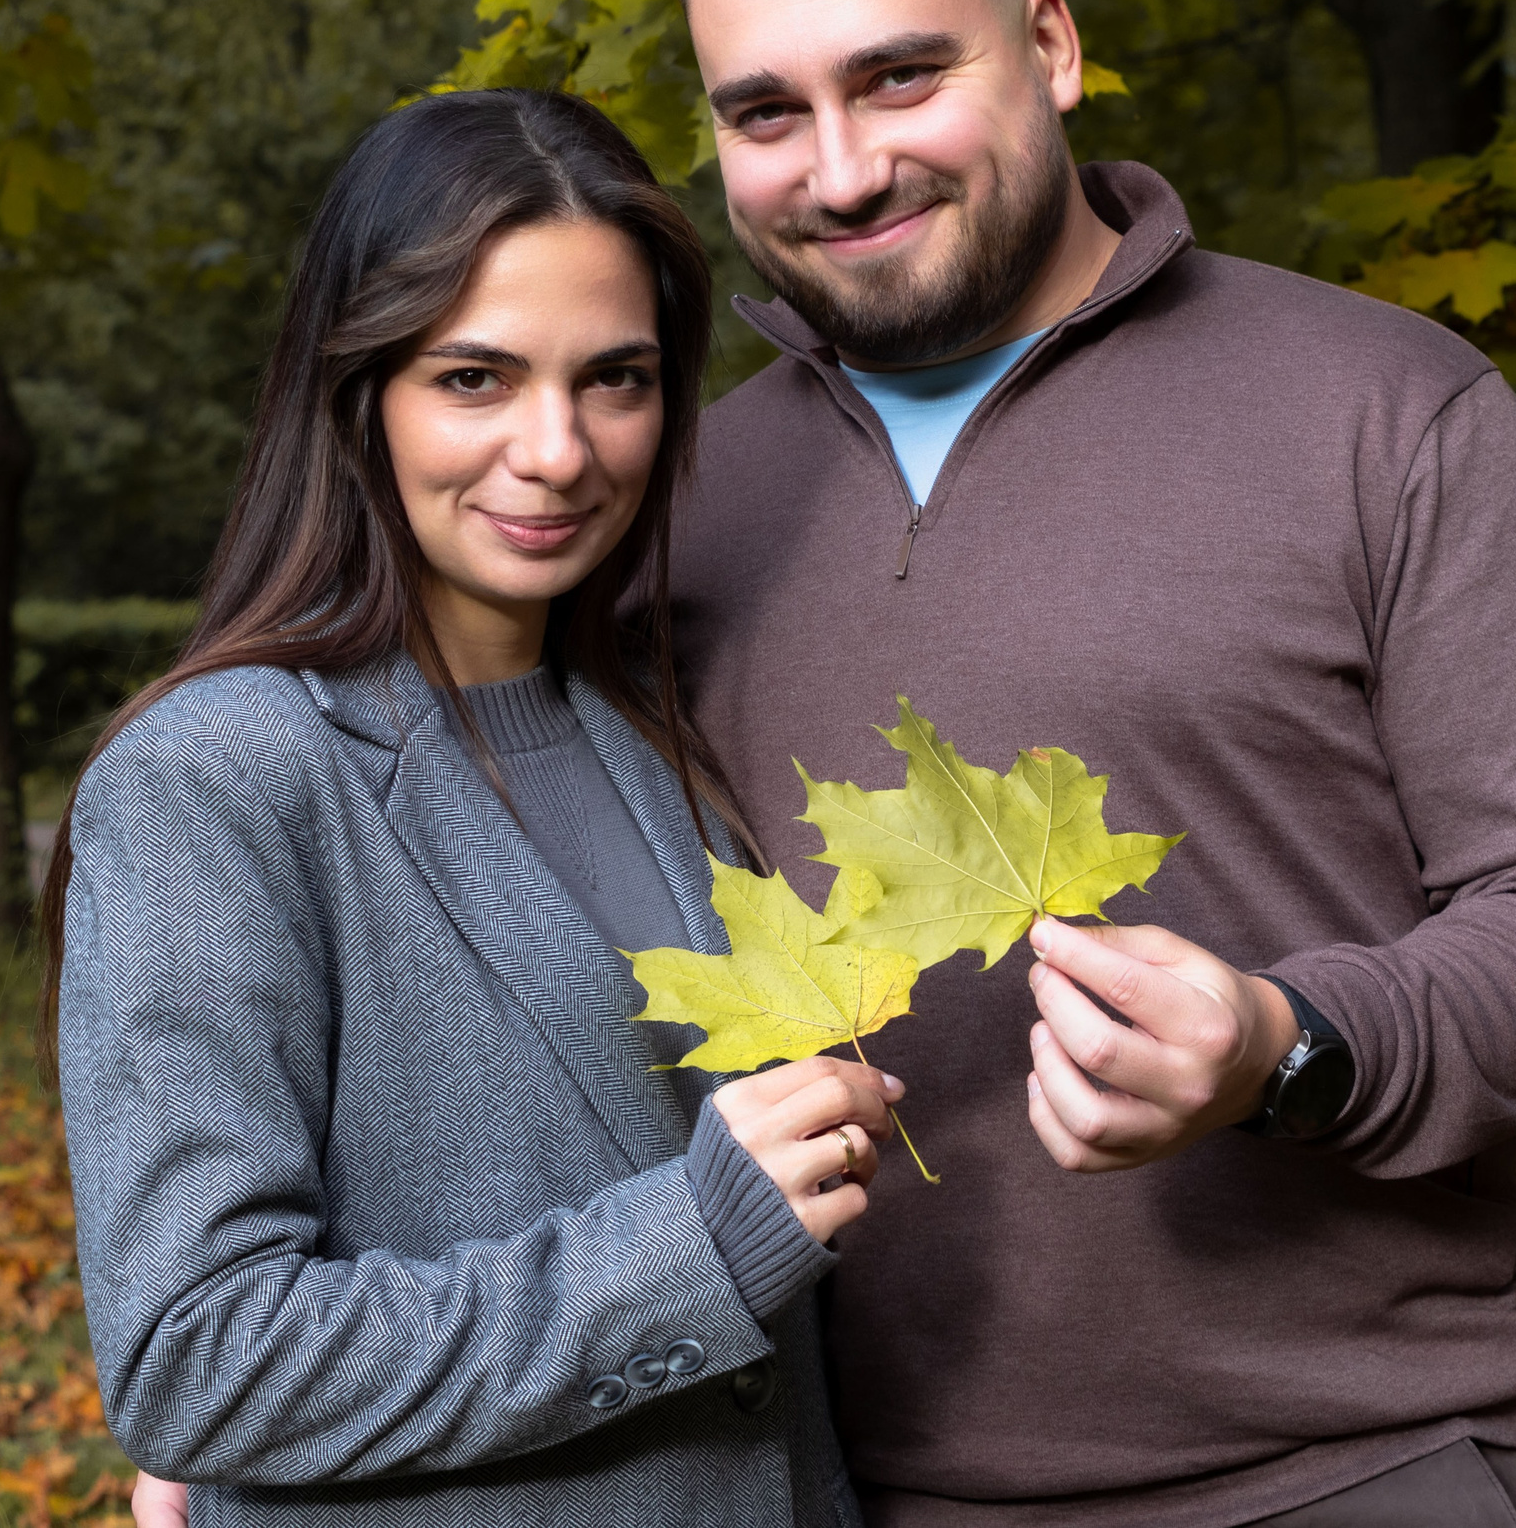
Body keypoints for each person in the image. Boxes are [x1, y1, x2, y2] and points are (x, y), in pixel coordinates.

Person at [663, 0, 1516, 1525]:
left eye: (903, 77)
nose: (839, 170)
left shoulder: (1382, 408)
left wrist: (1291, 1041)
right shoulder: (674, 505)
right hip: (845, 1487)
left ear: (1052, 43)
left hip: (1352, 1467)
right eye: (764, 112)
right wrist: (258, 1387)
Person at [53, 88, 900, 1528]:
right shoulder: (217, 776)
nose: (559, 449)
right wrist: (691, 1247)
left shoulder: (664, 732)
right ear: (359, 390)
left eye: (615, 379)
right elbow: (191, 1358)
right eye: (475, 378)